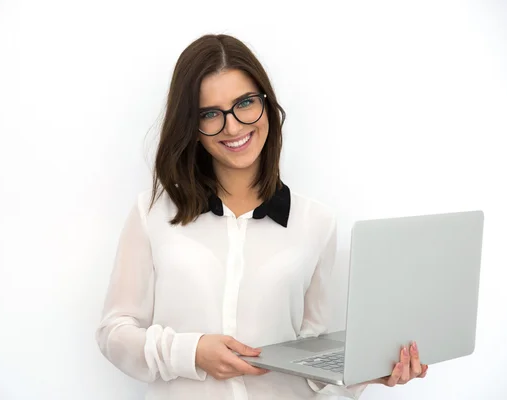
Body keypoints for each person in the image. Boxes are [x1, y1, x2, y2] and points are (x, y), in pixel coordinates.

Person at [95, 34, 428, 399]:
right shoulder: (153, 213)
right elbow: (115, 332)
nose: (234, 127)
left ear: (267, 104)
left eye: (245, 103)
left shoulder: (316, 222)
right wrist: (192, 353)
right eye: (210, 113)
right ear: (192, 126)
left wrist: (365, 372)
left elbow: (311, 364)